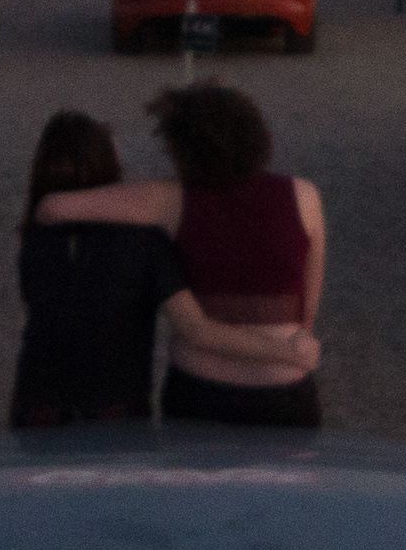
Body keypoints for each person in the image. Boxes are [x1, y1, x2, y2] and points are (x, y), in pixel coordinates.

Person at [33, 82, 326, 428]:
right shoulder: (304, 196)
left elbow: (52, 208)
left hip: (201, 390)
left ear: (184, 149)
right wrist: (290, 351)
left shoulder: (170, 200)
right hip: (283, 386)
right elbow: (307, 309)